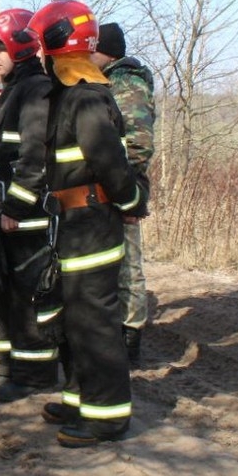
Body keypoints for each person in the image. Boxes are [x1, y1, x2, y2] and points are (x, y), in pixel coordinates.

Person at [29, 0, 140, 448]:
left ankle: (107, 416)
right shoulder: (65, 95)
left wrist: (132, 200)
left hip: (92, 225)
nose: (36, 55)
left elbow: (113, 168)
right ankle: (79, 398)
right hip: (71, 225)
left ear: (58, 45)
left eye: (40, 47)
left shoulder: (87, 97)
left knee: (94, 321)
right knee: (74, 319)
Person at [0, 9, 60, 402]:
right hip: (1, 211)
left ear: (19, 47)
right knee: (2, 289)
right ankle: (10, 366)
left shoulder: (35, 90)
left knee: (26, 295)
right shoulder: (12, 90)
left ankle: (35, 374)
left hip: (25, 218)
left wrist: (16, 209)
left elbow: (33, 157)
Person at [92, 23, 155, 366]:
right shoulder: (106, 82)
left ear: (108, 52)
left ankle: (130, 339)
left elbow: (139, 143)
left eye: (93, 50)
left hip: (125, 188)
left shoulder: (127, 83)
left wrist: (126, 190)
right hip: (110, 186)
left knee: (128, 265)